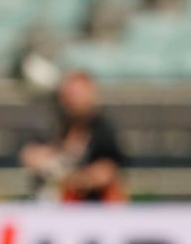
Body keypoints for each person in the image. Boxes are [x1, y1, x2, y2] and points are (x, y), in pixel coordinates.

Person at [18, 70, 128, 202]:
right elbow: (29, 154)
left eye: (77, 94)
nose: (73, 100)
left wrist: (78, 179)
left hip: (88, 207)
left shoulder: (103, 130)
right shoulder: (52, 123)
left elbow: (109, 170)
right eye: (69, 94)